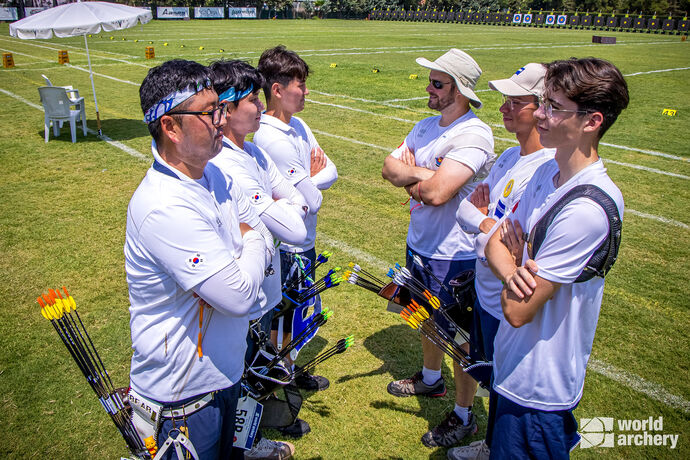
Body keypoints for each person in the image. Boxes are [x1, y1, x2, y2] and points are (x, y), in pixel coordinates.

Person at [484, 57, 628, 459]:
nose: (540, 115)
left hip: (538, 389)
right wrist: (513, 263)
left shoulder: (585, 208)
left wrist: (510, 254)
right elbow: (494, 239)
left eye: (554, 107)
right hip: (514, 366)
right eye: (544, 102)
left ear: (592, 121)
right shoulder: (548, 173)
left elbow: (516, 309)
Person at [125, 59, 269, 459]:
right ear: (170, 127)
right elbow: (239, 297)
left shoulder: (215, 174)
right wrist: (252, 240)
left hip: (225, 376)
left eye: (220, 108)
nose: (221, 120)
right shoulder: (164, 206)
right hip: (183, 401)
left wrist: (252, 240)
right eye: (209, 113)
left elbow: (260, 234)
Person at [381, 48, 495, 449]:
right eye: (430, 80)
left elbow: (439, 192)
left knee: (461, 339)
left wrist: (422, 180)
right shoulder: (426, 125)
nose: (428, 88)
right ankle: (431, 380)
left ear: (460, 90)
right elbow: (388, 168)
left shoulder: (474, 134)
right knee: (423, 317)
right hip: (420, 244)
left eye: (437, 82)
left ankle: (464, 416)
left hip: (455, 254)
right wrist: (424, 176)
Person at [449, 63, 555, 460]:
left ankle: (495, 446)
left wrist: (485, 225)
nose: (503, 109)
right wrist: (490, 225)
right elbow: (467, 212)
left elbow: (520, 244)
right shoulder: (510, 156)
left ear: (541, 107)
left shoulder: (547, 169)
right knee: (492, 377)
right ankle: (491, 444)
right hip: (485, 290)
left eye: (516, 102)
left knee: (506, 382)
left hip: (508, 300)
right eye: (505, 100)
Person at [209, 58, 311, 460]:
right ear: (227, 110)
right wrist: (279, 207)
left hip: (265, 288)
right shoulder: (227, 163)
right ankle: (243, 444)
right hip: (244, 293)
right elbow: (293, 229)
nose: (260, 105)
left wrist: (281, 205)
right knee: (242, 374)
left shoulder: (253, 152)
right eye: (252, 98)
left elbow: (300, 204)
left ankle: (247, 439)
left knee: (253, 373)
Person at [253, 45, 338, 397]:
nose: (305, 92)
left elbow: (330, 170)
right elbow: (311, 201)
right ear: (277, 89)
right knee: (283, 314)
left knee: (297, 310)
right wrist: (303, 187)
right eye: (299, 86)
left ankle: (288, 366)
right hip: (287, 244)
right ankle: (277, 380)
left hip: (305, 238)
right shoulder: (270, 137)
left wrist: (301, 184)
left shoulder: (299, 125)